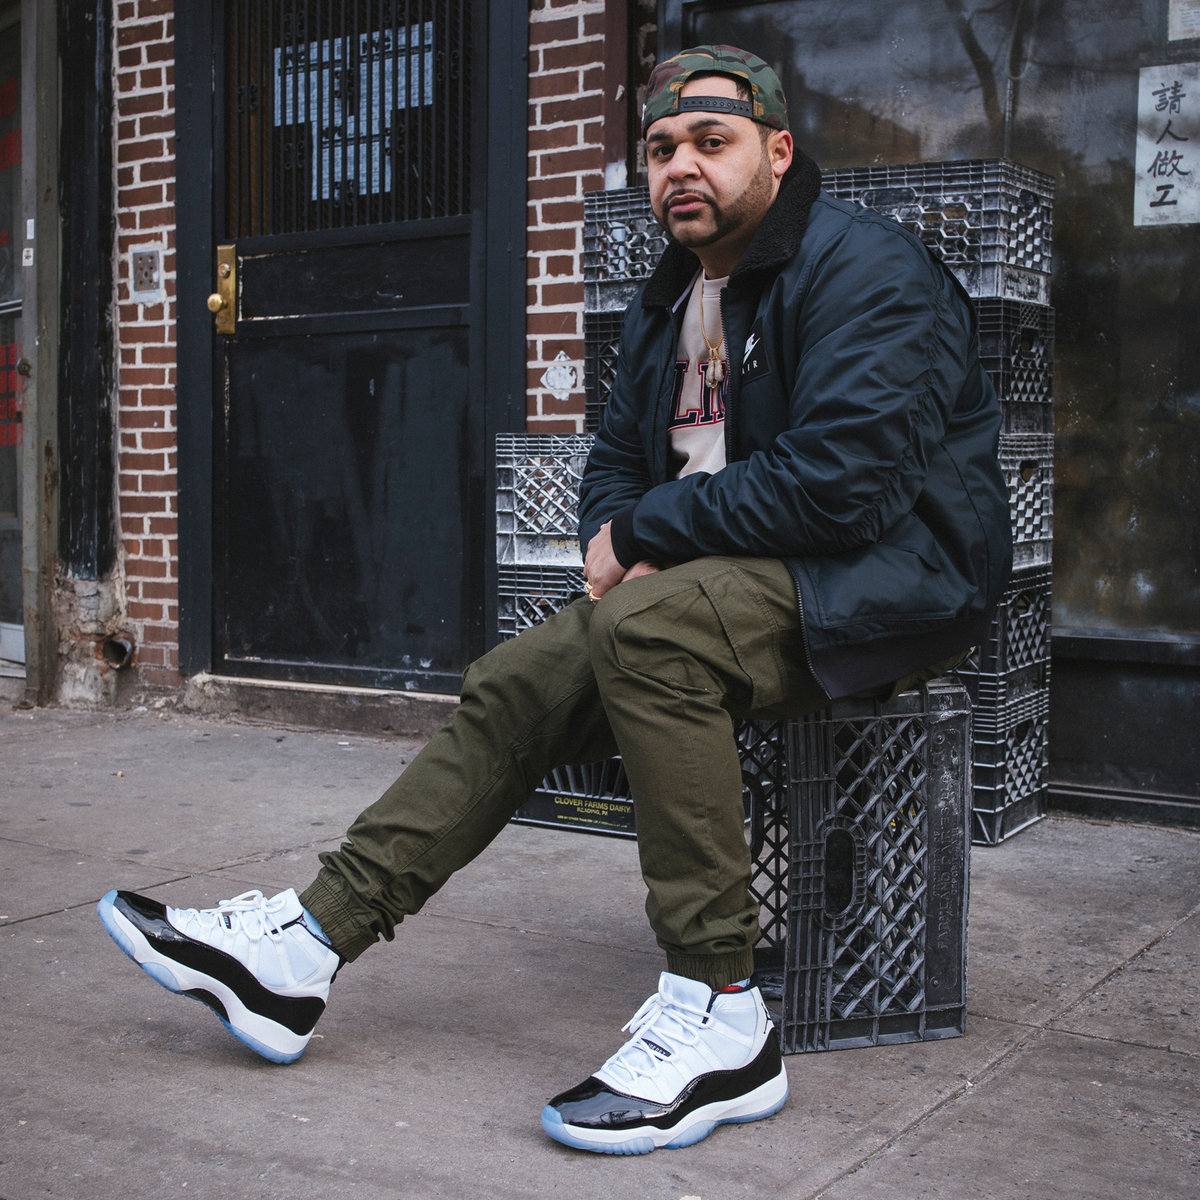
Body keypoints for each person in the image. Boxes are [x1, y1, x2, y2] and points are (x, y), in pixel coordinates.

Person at [97, 45, 1011, 1155]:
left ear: (777, 153)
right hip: (735, 577)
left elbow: (841, 485)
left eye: (711, 143)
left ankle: (722, 1012)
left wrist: (647, 536)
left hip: (896, 580)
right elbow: (615, 462)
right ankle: (303, 950)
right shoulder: (671, 296)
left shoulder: (864, 268)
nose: (682, 168)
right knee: (516, 680)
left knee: (649, 630)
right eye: (661, 149)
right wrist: (617, 536)